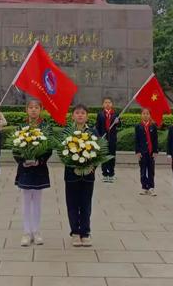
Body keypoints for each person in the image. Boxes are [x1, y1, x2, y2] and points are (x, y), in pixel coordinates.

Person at [14, 100, 51, 247]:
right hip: (25, 169)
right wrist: (23, 161)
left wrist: (39, 161)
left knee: (37, 200)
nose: (34, 110)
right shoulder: (21, 127)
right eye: (31, 108)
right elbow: (15, 148)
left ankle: (36, 231)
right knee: (26, 199)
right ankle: (26, 232)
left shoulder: (45, 128)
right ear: (26, 110)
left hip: (39, 169)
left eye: (36, 107)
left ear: (40, 109)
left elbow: (48, 148)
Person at [64, 104, 96, 247]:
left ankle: (85, 232)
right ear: (73, 116)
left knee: (85, 203)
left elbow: (99, 152)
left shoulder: (93, 132)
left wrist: (92, 166)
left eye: (83, 113)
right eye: (77, 113)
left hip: (88, 174)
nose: (80, 115)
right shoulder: (67, 132)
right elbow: (63, 152)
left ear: (87, 116)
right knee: (72, 203)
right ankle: (75, 232)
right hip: (71, 174)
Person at [135, 107, 159, 196]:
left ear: (150, 115)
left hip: (151, 152)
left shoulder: (153, 126)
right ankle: (144, 187)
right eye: (144, 113)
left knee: (151, 170)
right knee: (143, 170)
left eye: (147, 114)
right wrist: (137, 151)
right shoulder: (138, 126)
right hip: (142, 152)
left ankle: (151, 187)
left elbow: (155, 140)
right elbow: (137, 140)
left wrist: (155, 151)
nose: (145, 115)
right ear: (141, 115)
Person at [95, 97, 120, 182]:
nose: (107, 104)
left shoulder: (116, 114)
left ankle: (111, 173)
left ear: (112, 104)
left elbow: (119, 125)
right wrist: (98, 137)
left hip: (112, 139)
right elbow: (97, 127)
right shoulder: (100, 114)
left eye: (109, 102)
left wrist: (118, 122)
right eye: (105, 102)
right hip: (103, 138)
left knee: (112, 156)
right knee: (104, 156)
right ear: (103, 105)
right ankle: (105, 174)